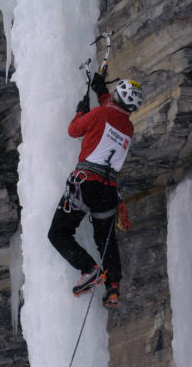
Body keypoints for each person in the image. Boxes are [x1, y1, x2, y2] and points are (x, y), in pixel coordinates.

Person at [48, 73, 144, 307]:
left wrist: (82, 110)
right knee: (106, 240)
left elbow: (73, 130)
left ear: (116, 95)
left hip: (86, 184)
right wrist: (100, 91)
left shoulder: (99, 114)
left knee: (58, 233)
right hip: (108, 192)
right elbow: (112, 115)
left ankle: (89, 269)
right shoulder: (128, 127)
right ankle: (112, 288)